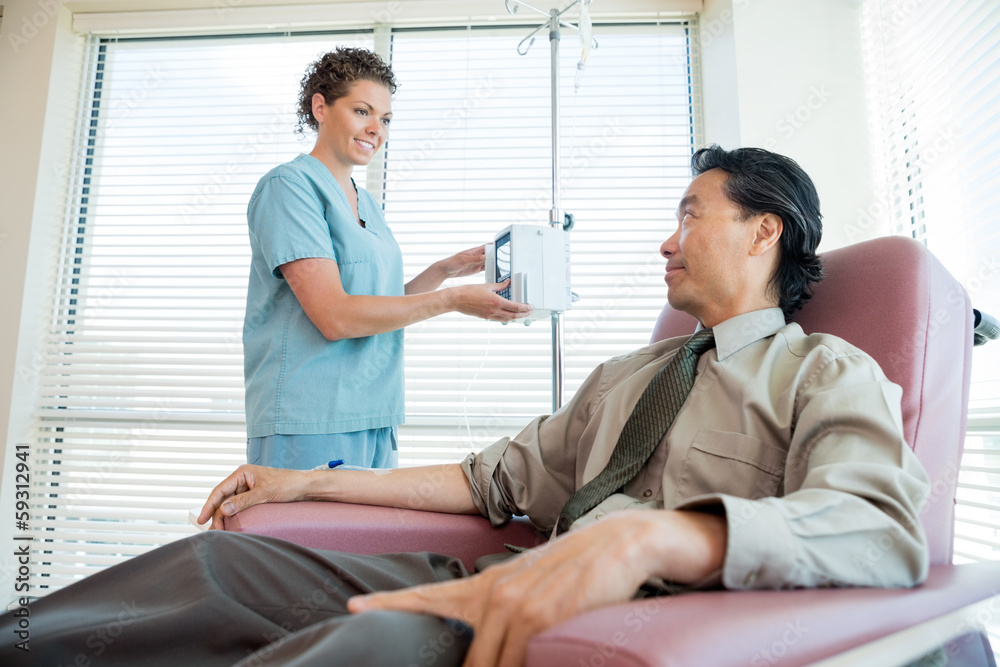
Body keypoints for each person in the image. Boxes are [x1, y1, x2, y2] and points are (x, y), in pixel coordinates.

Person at [1, 146, 930, 667]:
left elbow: (880, 527)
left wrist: (656, 537)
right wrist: (299, 476)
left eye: (691, 215)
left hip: (596, 608)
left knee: (363, 646)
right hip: (484, 567)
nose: (665, 239)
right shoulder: (628, 376)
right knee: (220, 564)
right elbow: (490, 480)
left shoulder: (822, 372)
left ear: (764, 229)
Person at [244, 47, 531, 471]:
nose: (376, 129)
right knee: (306, 539)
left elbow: (377, 303)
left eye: (387, 119)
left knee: (366, 539)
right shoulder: (290, 188)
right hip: (309, 418)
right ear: (320, 107)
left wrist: (444, 270)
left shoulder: (367, 204)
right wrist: (452, 299)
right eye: (363, 111)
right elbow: (336, 316)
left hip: (375, 413)